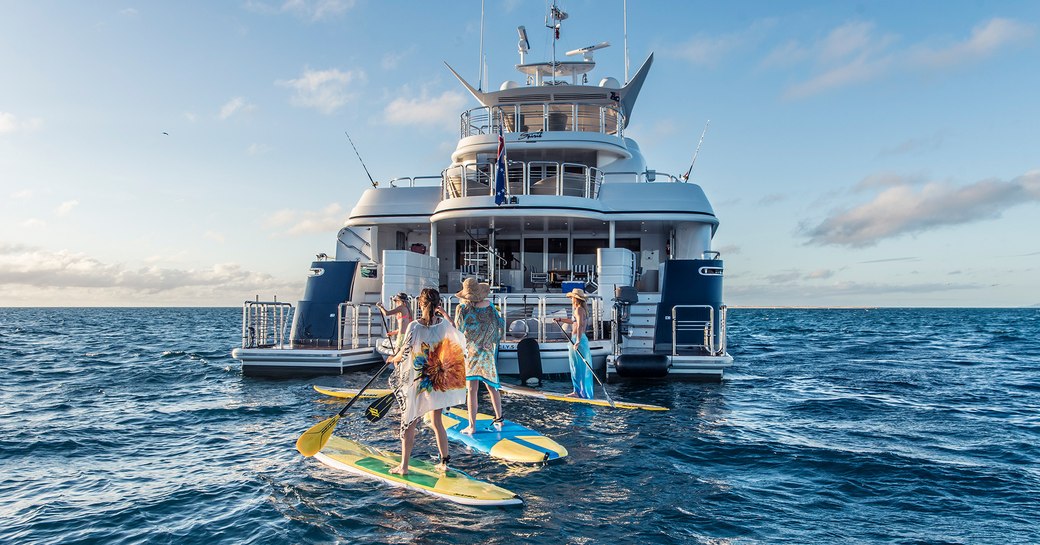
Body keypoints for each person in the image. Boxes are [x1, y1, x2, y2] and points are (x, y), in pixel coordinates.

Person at [386, 288, 467, 475]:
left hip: (419, 381)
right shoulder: (443, 326)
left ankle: (403, 467)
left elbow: (404, 352)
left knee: (409, 422)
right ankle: (444, 463)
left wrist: (392, 359)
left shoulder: (414, 326)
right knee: (437, 422)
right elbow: (458, 340)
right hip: (437, 382)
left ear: (420, 304)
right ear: (438, 305)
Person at [453, 278, 505, 434]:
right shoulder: (490, 307)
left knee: (472, 389)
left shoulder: (462, 309)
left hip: (471, 351)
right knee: (492, 386)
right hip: (487, 350)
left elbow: (458, 330)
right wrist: (491, 341)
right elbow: (500, 326)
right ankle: (499, 419)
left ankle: (472, 426)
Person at [554, 288, 594, 399]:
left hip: (578, 340)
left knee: (576, 367)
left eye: (572, 297)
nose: (571, 299)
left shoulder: (579, 310)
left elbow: (580, 325)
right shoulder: (580, 309)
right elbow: (573, 321)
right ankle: (580, 391)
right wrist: (560, 319)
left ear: (576, 298)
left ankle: (577, 392)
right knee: (580, 367)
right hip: (579, 339)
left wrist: (577, 341)